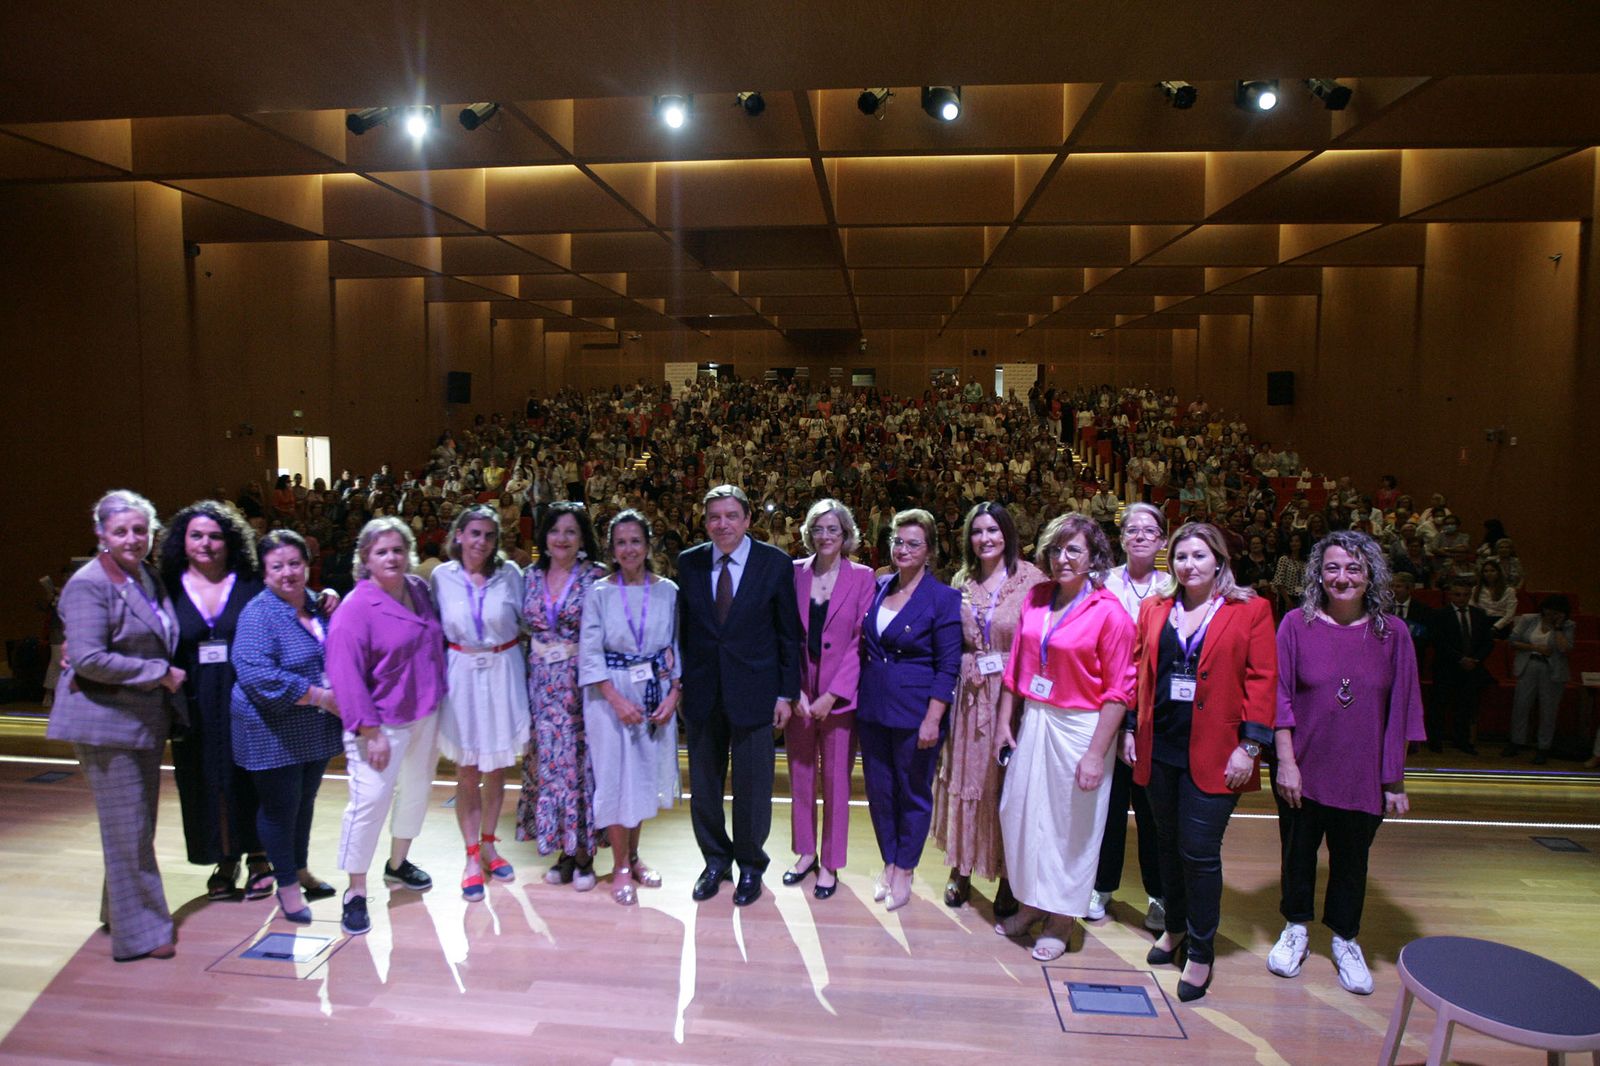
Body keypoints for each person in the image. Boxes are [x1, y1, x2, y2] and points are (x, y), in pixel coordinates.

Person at [1268, 530, 1425, 996]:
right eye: (1333, 567)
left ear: (1371, 574)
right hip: (1304, 767)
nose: (1343, 577)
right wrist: (1285, 762)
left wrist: (1394, 779)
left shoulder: (1392, 633)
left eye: (1354, 568)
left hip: (1363, 773)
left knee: (1352, 862)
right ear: (1319, 573)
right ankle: (1296, 928)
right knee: (1297, 855)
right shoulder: (1295, 624)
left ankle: (1345, 939)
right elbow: (1278, 698)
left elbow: (1404, 706)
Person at [1126, 522, 1276, 1002]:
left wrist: (1248, 747)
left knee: (1198, 850)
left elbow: (1262, 679)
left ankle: (1202, 949)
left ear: (1219, 560)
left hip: (1219, 752)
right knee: (1166, 844)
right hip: (1160, 747)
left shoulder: (1249, 610)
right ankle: (1174, 927)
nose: (1190, 565)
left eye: (1199, 556)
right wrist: (1130, 728)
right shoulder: (1154, 608)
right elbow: (1136, 671)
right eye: (1182, 557)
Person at [48, 490, 184, 961]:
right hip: (105, 723)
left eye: (140, 530)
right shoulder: (88, 583)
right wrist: (156, 673)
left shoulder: (147, 576)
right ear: (101, 534)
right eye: (121, 530)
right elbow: (86, 658)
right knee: (129, 828)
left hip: (140, 721)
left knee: (134, 826)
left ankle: (117, 910)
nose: (132, 538)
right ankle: (141, 934)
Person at [994, 513, 1135, 962]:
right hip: (1035, 717)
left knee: (1070, 827)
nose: (1062, 558)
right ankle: (1032, 903)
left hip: (1081, 727)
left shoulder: (1110, 611)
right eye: (1055, 549)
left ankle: (1061, 919)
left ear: (1094, 556)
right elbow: (1016, 667)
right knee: (1019, 813)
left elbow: (1119, 691)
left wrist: (1097, 754)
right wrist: (1004, 722)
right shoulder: (1037, 597)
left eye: (1073, 549)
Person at [676, 484, 802, 906]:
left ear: (748, 519)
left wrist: (786, 693)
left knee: (753, 788)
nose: (722, 524)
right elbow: (684, 632)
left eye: (731, 515)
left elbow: (789, 635)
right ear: (705, 521)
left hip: (757, 693)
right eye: (714, 516)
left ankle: (750, 865)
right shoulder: (689, 563)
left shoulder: (775, 563)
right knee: (706, 789)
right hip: (703, 694)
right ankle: (715, 861)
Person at [326, 517, 449, 936]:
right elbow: (344, 675)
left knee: (415, 793)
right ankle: (355, 891)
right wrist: (368, 731)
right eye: (382, 551)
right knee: (370, 804)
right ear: (365, 559)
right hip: (379, 724)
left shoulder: (418, 590)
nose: (392, 557)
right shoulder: (355, 608)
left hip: (423, 714)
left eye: (398, 549)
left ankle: (398, 865)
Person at [933, 502, 1046, 913]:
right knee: (968, 779)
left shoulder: (1032, 580)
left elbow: (1041, 640)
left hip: (1012, 696)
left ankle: (1005, 873)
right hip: (969, 695)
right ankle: (961, 868)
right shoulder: (962, 580)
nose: (986, 538)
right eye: (978, 531)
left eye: (993, 530)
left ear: (1008, 534)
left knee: (1006, 787)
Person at [158, 501, 270, 901]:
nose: (206, 543)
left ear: (231, 541)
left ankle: (259, 856)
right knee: (205, 781)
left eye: (215, 536)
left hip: (246, 697)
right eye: (197, 535)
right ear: (182, 541)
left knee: (250, 778)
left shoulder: (250, 582)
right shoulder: (166, 586)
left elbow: (292, 599)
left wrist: (323, 596)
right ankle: (225, 859)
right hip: (194, 701)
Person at [229, 530, 343, 922]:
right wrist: (320, 696)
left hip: (311, 728)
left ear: (307, 565)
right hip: (271, 729)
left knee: (304, 803)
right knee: (280, 809)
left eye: (295, 563)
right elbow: (256, 674)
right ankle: (287, 888)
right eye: (277, 566)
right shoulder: (258, 613)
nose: (288, 573)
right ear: (264, 573)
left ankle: (299, 867)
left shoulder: (317, 604)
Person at [856, 509, 963, 911]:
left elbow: (948, 665)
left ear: (930, 550)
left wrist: (934, 717)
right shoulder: (881, 586)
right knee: (880, 794)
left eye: (912, 543)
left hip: (917, 712)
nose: (902, 549)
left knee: (913, 793)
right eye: (897, 542)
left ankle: (905, 868)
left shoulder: (944, 597)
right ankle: (889, 861)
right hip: (873, 708)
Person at [578, 510, 682, 905]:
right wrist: (615, 698)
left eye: (635, 541)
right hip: (610, 698)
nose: (628, 549)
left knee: (641, 779)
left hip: (654, 692)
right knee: (615, 778)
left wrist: (674, 693)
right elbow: (589, 654)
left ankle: (635, 857)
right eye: (620, 542)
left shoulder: (668, 591)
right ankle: (620, 864)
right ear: (612, 549)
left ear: (648, 545)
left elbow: (676, 646)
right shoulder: (600, 592)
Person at [432, 505, 530, 901]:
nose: (482, 542)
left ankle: (490, 844)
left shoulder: (511, 575)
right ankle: (471, 856)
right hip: (461, 673)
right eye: (475, 534)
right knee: (467, 770)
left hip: (504, 669)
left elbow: (531, 620)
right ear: (459, 535)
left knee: (498, 769)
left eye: (490, 536)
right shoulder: (441, 577)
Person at [784, 499, 875, 900]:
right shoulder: (792, 573)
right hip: (800, 694)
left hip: (840, 697)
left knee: (837, 782)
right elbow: (784, 635)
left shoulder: (863, 577)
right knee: (801, 776)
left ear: (845, 535)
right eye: (818, 528)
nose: (825, 536)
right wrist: (796, 689)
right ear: (809, 532)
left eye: (833, 529)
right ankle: (805, 853)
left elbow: (861, 642)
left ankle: (831, 863)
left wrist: (832, 694)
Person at [519, 502, 607, 889]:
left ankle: (585, 852)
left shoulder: (597, 578)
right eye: (555, 531)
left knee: (580, 769)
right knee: (551, 771)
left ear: (583, 537)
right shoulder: (528, 577)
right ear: (545, 536)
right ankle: (562, 850)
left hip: (581, 685)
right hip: (540, 686)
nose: (562, 539)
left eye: (571, 531)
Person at [1091, 502, 1167, 931]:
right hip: (1106, 706)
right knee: (1107, 804)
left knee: (1153, 810)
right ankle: (1101, 885)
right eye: (1132, 529)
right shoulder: (1101, 582)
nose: (1139, 535)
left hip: (1154, 711)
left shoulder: (1175, 584)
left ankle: (1158, 895)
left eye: (1149, 530)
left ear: (1161, 540)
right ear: (1121, 538)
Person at [1502, 596, 1575, 764]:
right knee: (1521, 705)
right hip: (1529, 664)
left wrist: (1557, 628)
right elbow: (1512, 641)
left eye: (1556, 612)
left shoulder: (1568, 625)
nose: (1551, 614)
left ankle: (1544, 747)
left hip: (1552, 671)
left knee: (1548, 710)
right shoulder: (1529, 619)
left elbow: (1565, 648)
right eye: (1549, 610)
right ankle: (1516, 741)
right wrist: (1535, 648)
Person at [1428, 576, 1495, 754]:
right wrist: (1460, 659)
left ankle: (1462, 741)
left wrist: (1475, 660)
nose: (1461, 598)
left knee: (1465, 706)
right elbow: (1438, 642)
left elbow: (1488, 642)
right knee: (1439, 706)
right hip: (1447, 667)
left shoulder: (1479, 615)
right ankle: (1435, 741)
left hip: (1472, 669)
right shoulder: (1439, 615)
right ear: (1451, 595)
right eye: (1457, 594)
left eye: (1465, 595)